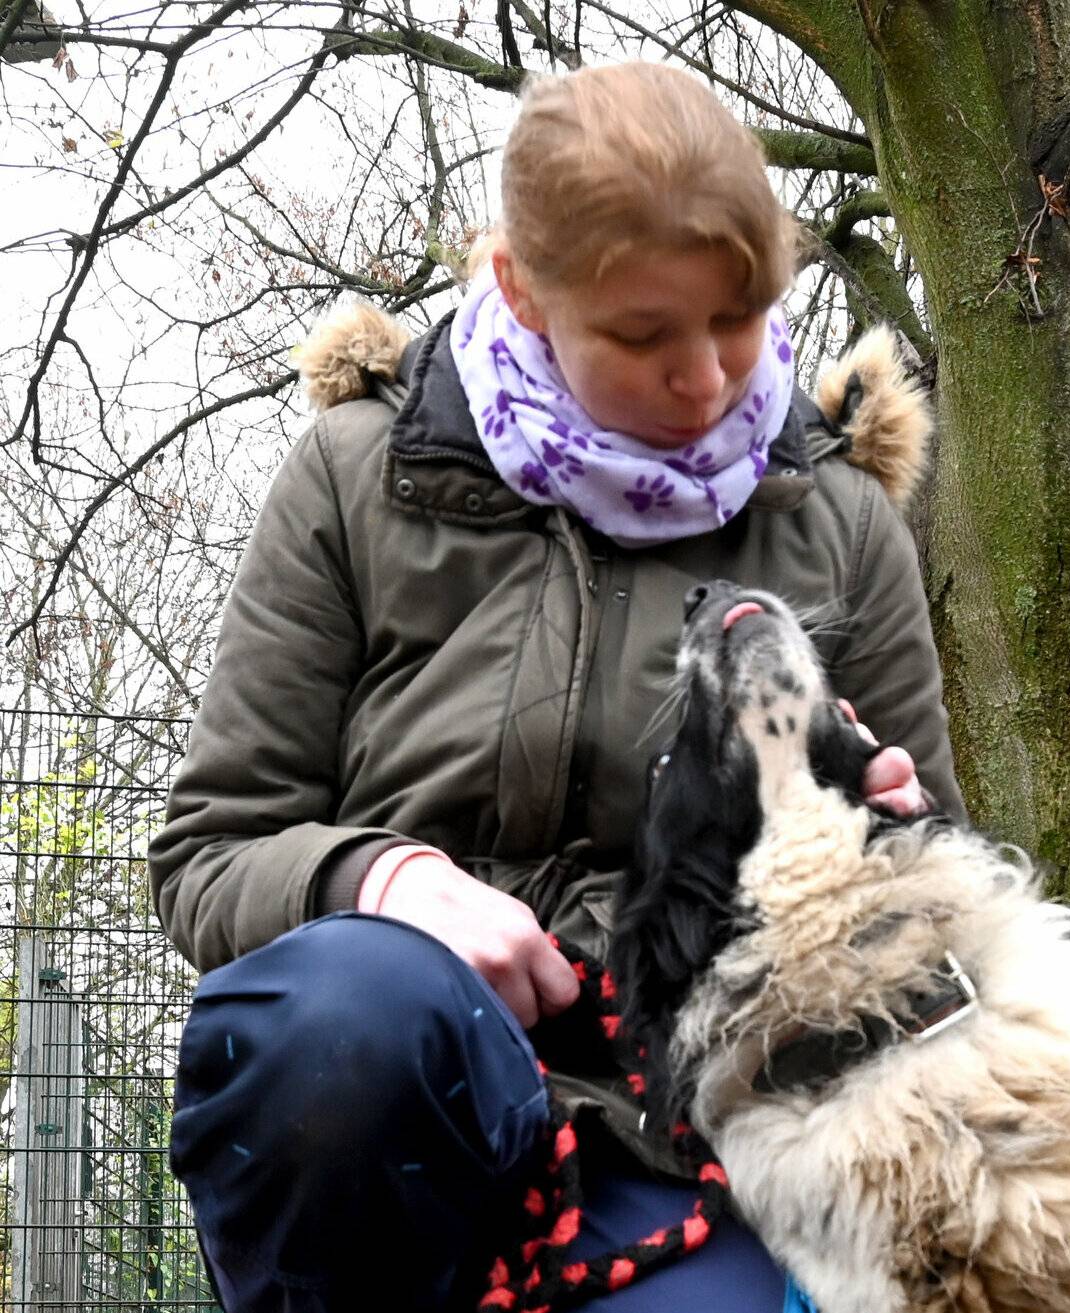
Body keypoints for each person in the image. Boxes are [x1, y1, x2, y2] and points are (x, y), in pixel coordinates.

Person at [148, 60, 966, 1313]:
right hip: (399, 1105)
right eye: (643, 334)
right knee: (346, 1019)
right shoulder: (357, 474)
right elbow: (210, 853)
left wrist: (881, 851)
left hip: (696, 1122)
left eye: (738, 317)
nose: (707, 378)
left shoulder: (843, 520)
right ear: (523, 291)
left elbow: (948, 909)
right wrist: (388, 880)